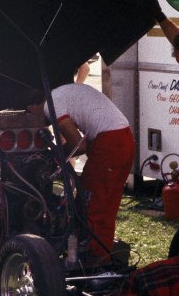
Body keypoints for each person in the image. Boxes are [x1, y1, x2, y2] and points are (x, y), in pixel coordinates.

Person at [28, 83, 135, 263]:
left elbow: (78, 144)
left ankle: (93, 261)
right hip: (123, 139)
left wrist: (53, 157)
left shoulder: (51, 105)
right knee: (105, 206)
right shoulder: (61, 93)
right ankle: (101, 256)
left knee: (90, 205)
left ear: (32, 107)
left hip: (109, 143)